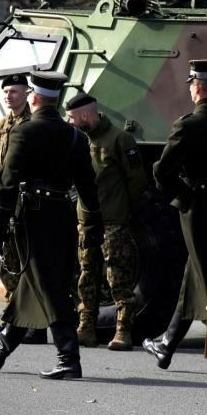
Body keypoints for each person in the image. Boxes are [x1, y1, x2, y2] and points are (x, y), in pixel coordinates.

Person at [0, 71, 103, 379]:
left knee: (48, 286)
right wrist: (93, 226)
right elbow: (88, 187)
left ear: (33, 98)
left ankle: (68, 356)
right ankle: (4, 346)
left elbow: (7, 183)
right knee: (36, 282)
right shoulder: (76, 136)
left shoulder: (24, 132)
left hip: (32, 216)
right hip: (62, 214)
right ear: (57, 100)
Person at [142, 59, 207, 377]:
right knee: (196, 274)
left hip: (195, 208)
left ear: (197, 87)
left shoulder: (187, 126)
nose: (190, 88)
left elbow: (162, 171)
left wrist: (184, 196)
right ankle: (167, 344)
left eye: (191, 84)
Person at [66, 93, 148, 351]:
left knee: (118, 277)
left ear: (86, 115)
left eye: (72, 117)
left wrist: (119, 208)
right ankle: (86, 328)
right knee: (86, 276)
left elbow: (137, 181)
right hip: (86, 222)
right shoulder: (76, 141)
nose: (69, 122)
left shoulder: (120, 140)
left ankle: (123, 330)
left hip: (113, 222)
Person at [0, 73, 47, 344]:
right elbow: (2, 168)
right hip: (7, 202)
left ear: (27, 94)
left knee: (29, 267)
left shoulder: (33, 125)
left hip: (27, 204)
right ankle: (12, 322)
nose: (9, 96)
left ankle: (36, 327)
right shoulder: (3, 125)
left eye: (15, 92)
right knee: (9, 265)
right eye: (6, 91)